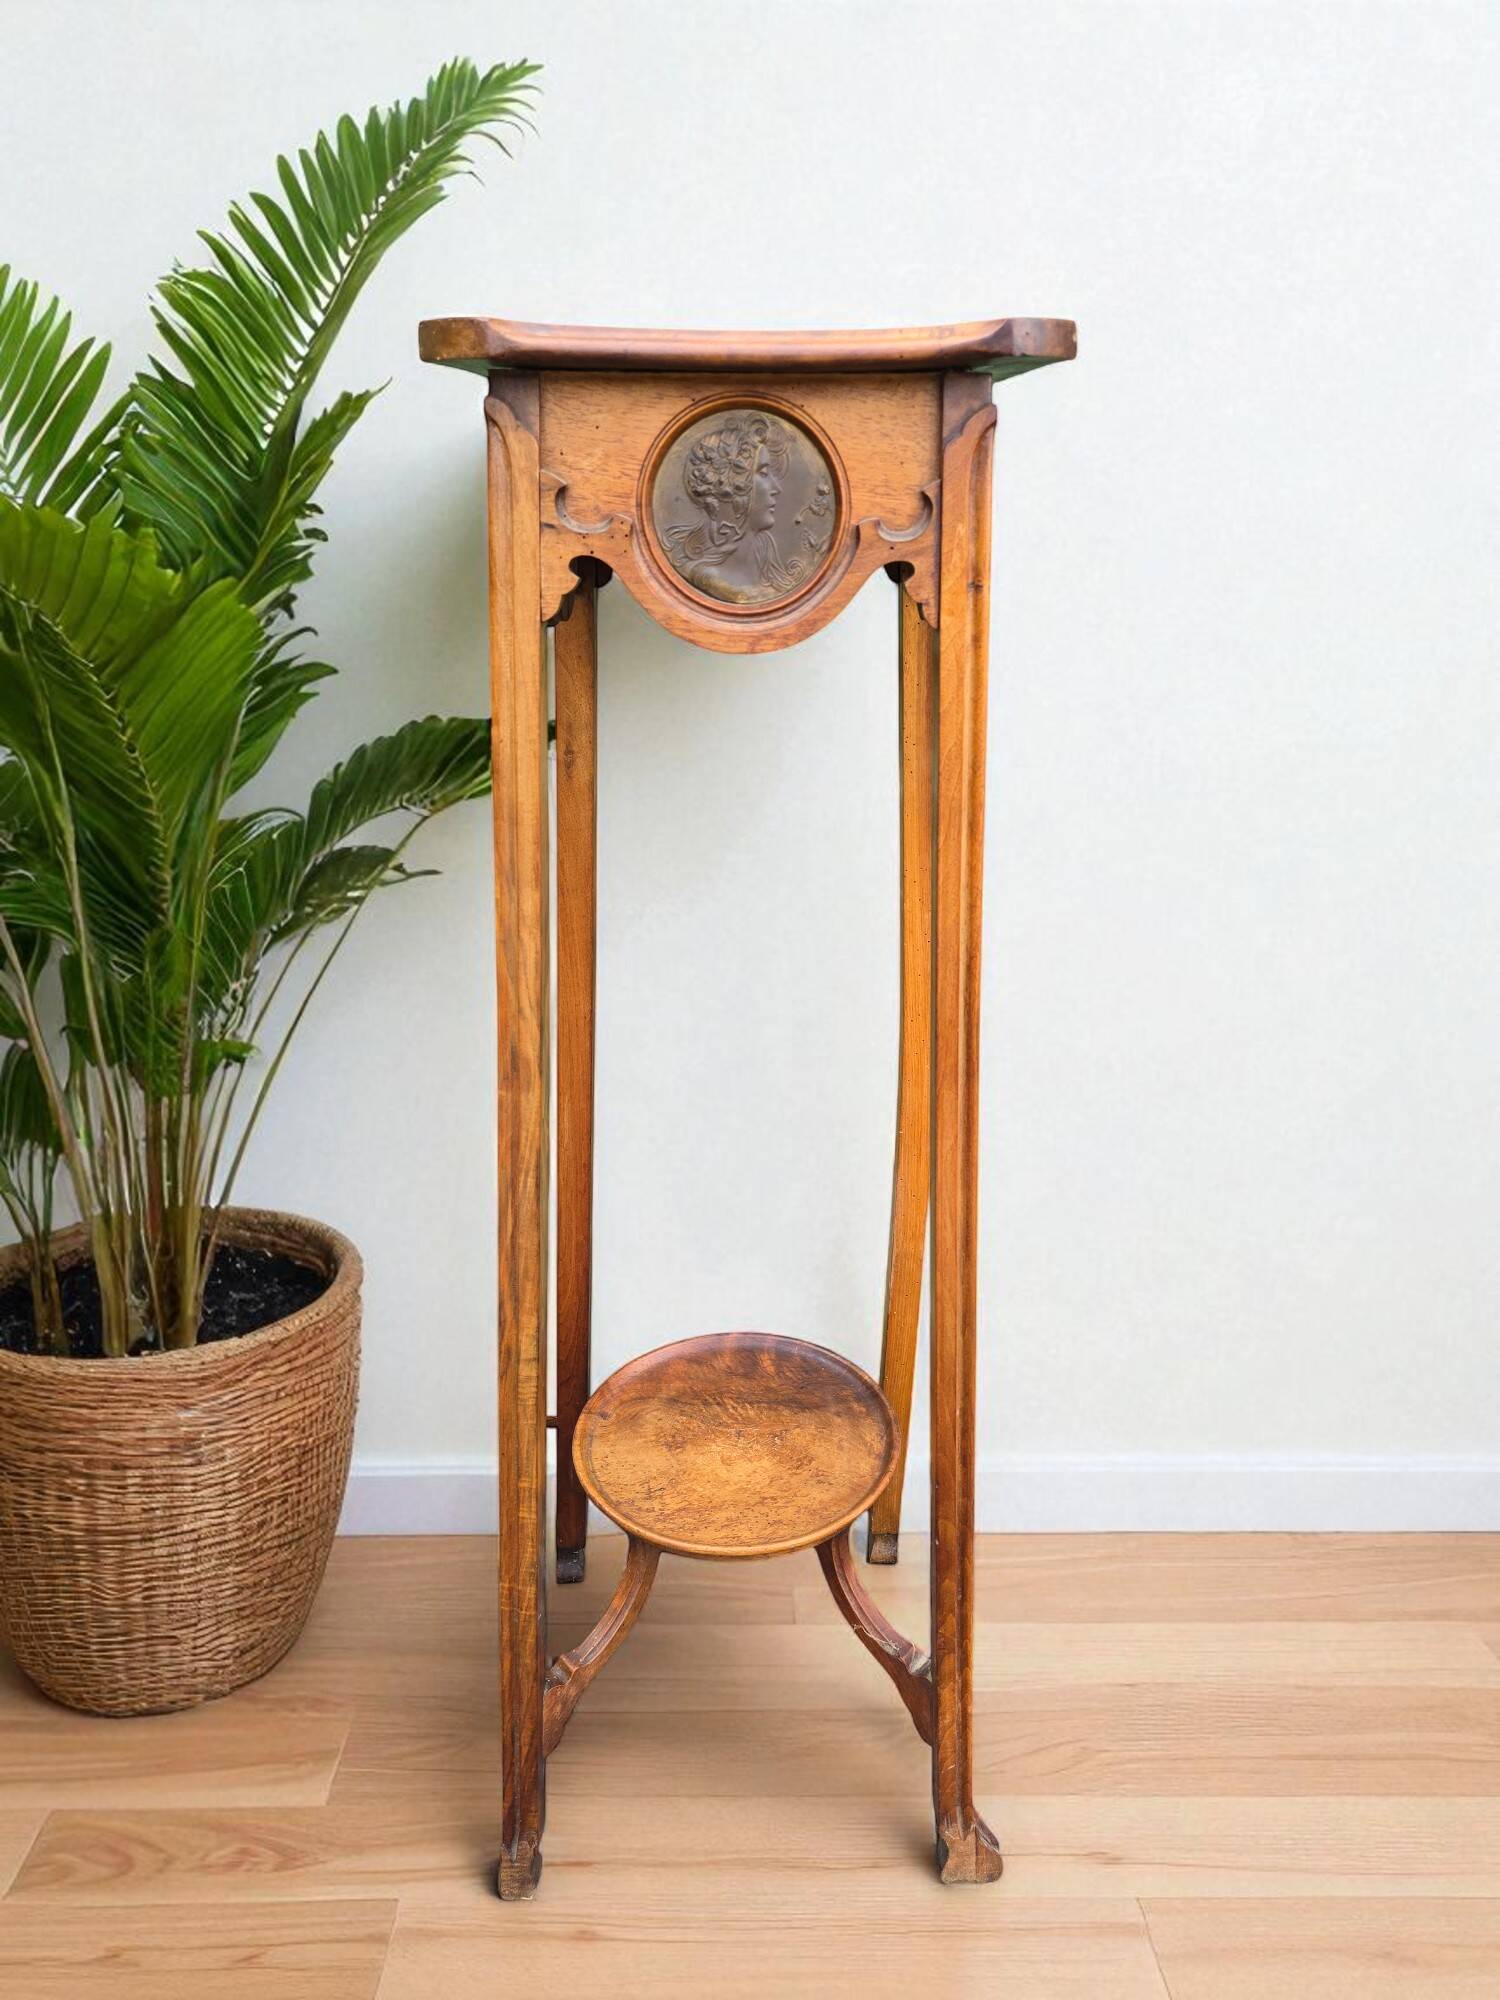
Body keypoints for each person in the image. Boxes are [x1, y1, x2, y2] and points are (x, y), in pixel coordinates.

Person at [661, 411, 830, 603]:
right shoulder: (712, 579)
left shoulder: (765, 567)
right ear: (732, 487)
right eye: (764, 472)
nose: (776, 488)